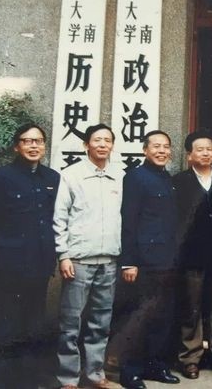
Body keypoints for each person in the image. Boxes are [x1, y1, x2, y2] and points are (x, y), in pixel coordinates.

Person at [0, 124, 60, 389]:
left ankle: (27, 381)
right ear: (16, 146)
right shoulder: (0, 178)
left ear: (44, 146)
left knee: (32, 326)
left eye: (38, 141)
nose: (34, 146)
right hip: (9, 267)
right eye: (27, 141)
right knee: (4, 325)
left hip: (40, 265)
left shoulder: (52, 178)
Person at [54, 124, 123, 389]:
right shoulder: (71, 175)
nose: (102, 144)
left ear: (112, 145)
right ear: (86, 145)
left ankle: (95, 374)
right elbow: (60, 218)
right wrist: (63, 255)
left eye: (107, 140)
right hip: (78, 261)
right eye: (97, 140)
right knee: (70, 323)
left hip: (109, 261)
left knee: (100, 323)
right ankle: (68, 378)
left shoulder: (120, 175)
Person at [118, 130, 181, 389]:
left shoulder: (167, 178)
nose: (162, 151)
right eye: (156, 146)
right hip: (143, 260)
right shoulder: (135, 177)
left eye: (166, 146)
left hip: (167, 259)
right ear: (145, 150)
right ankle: (130, 371)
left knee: (162, 316)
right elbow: (128, 221)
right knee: (139, 316)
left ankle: (155, 366)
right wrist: (129, 261)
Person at [173, 129, 212, 379]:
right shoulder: (179, 181)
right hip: (192, 255)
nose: (206, 153)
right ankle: (191, 358)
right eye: (200, 149)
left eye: (209, 149)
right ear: (189, 155)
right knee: (192, 308)